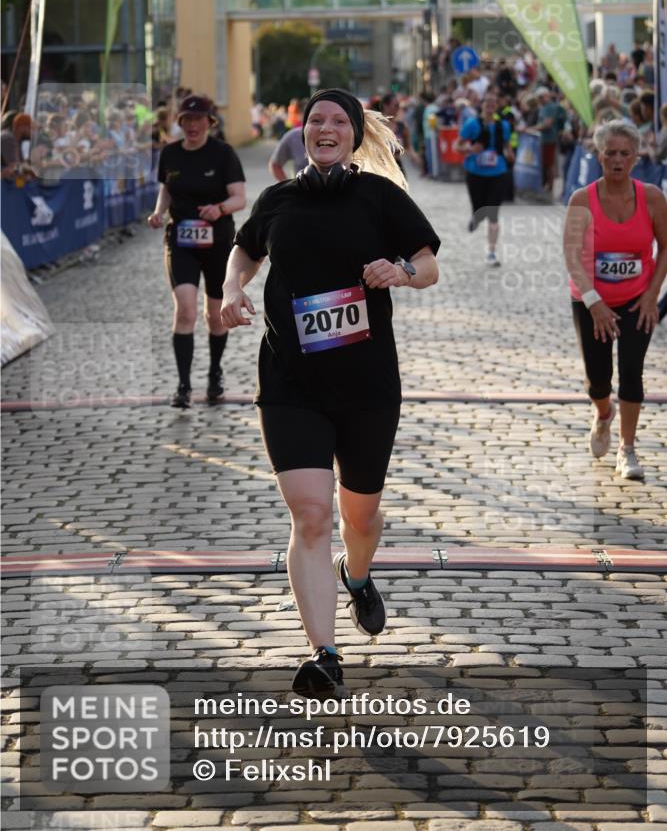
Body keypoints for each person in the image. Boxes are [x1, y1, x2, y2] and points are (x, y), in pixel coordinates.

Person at [220, 88, 440, 696]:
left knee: (358, 516)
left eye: (338, 121)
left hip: (368, 384)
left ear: (354, 134)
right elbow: (244, 251)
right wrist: (232, 290)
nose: (326, 128)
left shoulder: (380, 196)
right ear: (303, 130)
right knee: (311, 514)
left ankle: (358, 574)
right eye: (316, 118)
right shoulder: (279, 199)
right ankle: (324, 653)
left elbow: (429, 264)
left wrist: (401, 271)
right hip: (290, 380)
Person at [563, 119, 667, 480]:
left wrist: (653, 294)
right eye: (610, 153)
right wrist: (594, 302)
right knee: (598, 380)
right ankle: (603, 413)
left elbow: (666, 248)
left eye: (625, 153)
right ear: (599, 155)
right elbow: (572, 255)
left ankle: (628, 450)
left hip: (638, 299)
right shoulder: (581, 199)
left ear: (637, 157)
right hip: (591, 301)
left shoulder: (652, 197)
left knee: (632, 374)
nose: (617, 160)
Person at [148, 95, 247, 408]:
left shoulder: (223, 154)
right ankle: (183, 384)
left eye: (198, 120)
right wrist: (158, 211)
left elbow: (239, 198)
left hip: (217, 242)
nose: (192, 125)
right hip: (180, 240)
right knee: (186, 309)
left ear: (209, 122)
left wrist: (219, 208)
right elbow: (166, 188)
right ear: (179, 123)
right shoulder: (170, 154)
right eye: (186, 120)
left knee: (215, 317)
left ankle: (215, 372)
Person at [455, 91, 511, 266]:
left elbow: (508, 147)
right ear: (482, 104)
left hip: (498, 173)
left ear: (496, 106)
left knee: (493, 213)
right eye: (487, 102)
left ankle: (492, 252)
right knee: (480, 211)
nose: (490, 105)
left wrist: (510, 154)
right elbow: (458, 145)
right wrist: (471, 150)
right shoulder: (472, 124)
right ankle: (476, 217)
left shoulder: (503, 125)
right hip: (476, 173)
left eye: (493, 103)